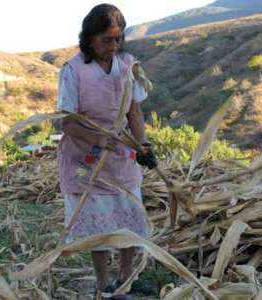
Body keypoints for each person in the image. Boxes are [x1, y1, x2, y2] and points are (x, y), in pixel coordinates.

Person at [56, 4, 157, 299]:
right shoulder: (73, 70)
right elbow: (68, 122)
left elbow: (135, 113)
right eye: (106, 40)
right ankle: (103, 285)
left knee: (129, 217)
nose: (113, 46)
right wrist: (97, 141)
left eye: (118, 39)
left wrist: (143, 145)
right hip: (86, 157)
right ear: (89, 39)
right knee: (95, 223)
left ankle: (125, 279)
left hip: (122, 155)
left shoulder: (128, 65)